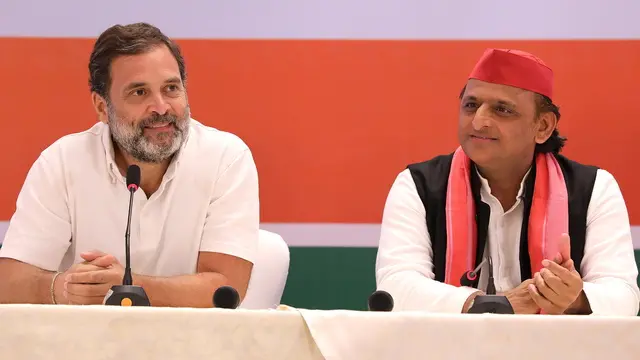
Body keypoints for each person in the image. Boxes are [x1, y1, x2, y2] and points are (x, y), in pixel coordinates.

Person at [0, 23, 260, 307]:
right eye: (139, 92)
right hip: (86, 347)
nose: (161, 107)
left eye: (171, 88)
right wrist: (60, 288)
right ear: (102, 107)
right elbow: (9, 283)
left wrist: (125, 287)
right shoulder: (62, 162)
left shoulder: (225, 158)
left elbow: (225, 288)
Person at [375, 48, 640, 315]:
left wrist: (574, 297)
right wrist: (491, 305)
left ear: (543, 126)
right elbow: (395, 286)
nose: (478, 122)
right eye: (471, 105)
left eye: (502, 110)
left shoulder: (594, 189)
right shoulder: (419, 185)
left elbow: (623, 295)